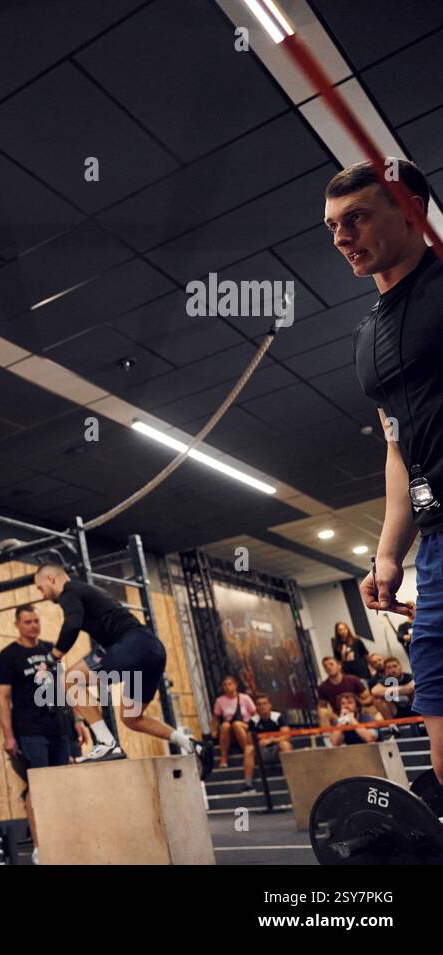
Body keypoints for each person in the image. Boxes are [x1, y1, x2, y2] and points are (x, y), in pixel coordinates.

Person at [329, 157, 441, 787]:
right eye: (334, 226)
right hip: (436, 545)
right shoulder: (367, 334)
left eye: (358, 218)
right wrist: (388, 555)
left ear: (411, 212)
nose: (342, 237)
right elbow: (397, 447)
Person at [33, 562, 200, 762]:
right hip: (153, 651)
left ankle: (106, 744)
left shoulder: (70, 591)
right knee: (132, 718)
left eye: (41, 588)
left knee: (70, 679)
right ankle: (191, 745)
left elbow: (71, 626)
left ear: (52, 579)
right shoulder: (86, 591)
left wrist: (51, 658)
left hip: (133, 645)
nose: (42, 594)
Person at [0, 604, 76, 859]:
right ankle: (40, 847)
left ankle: (62, 841)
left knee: (60, 785)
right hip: (30, 729)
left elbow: (63, 689)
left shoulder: (51, 650)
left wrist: (79, 724)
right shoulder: (9, 656)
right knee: (37, 786)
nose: (33, 625)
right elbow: (2, 698)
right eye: (27, 622)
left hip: (58, 727)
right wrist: (8, 735)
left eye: (36, 621)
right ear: (17, 624)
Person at [211, 676, 257, 792]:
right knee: (226, 726)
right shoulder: (220, 701)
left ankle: (246, 751)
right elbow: (216, 718)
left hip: (244, 726)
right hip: (229, 729)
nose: (227, 687)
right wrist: (214, 731)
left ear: (235, 685)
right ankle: (224, 757)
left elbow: (254, 714)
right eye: (225, 684)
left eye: (229, 684)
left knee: (237, 724)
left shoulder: (244, 698)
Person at [251, 694, 292, 760]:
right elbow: (249, 741)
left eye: (264, 703)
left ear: (269, 705)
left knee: (285, 744)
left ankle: (290, 770)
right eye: (259, 704)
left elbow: (287, 736)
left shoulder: (278, 716)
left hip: (277, 746)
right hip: (262, 749)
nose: (262, 706)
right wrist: (258, 742)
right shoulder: (253, 720)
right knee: (249, 749)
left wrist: (272, 740)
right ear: (256, 707)